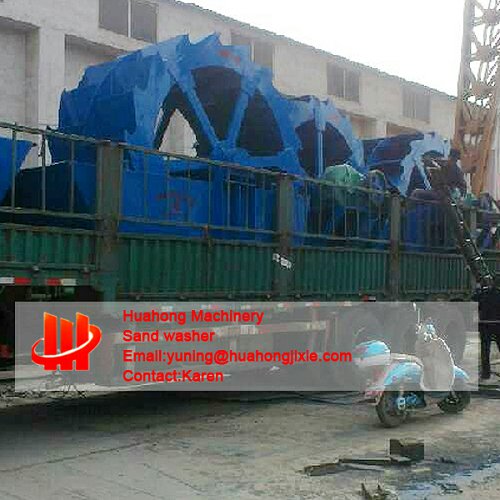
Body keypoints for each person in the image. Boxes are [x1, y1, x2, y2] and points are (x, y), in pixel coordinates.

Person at [474, 277, 500, 384]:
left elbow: (474, 299)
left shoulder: (483, 294)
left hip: (485, 325)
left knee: (485, 350)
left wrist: (478, 288)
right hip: (498, 324)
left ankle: (486, 373)